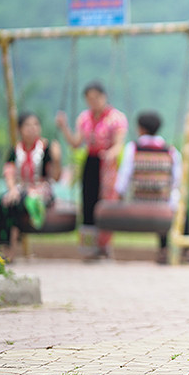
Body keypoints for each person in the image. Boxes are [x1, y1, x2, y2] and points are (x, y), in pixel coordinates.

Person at [56, 81, 127, 260]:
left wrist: (111, 153)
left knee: (105, 202)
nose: (93, 102)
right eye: (90, 99)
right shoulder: (84, 118)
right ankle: (89, 247)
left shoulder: (116, 118)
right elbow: (75, 143)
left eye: (96, 98)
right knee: (88, 203)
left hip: (107, 164)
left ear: (104, 97)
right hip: (91, 161)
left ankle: (105, 245)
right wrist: (64, 127)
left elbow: (119, 144)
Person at [114, 111, 189, 264]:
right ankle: (183, 250)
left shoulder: (133, 148)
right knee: (181, 209)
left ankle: (165, 250)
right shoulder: (171, 151)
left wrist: (119, 196)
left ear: (141, 129)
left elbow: (124, 175)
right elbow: (177, 180)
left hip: (138, 198)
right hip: (163, 200)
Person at [0, 112, 62, 262]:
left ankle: (10, 250)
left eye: (35, 125)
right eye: (28, 125)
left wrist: (57, 159)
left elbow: (55, 177)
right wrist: (13, 189)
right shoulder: (15, 150)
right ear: (20, 129)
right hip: (20, 190)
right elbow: (9, 173)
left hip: (41, 191)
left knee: (16, 203)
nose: (32, 129)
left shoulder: (46, 149)